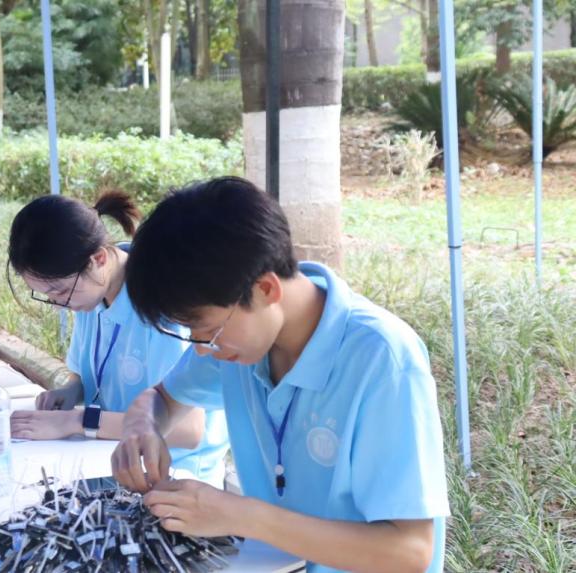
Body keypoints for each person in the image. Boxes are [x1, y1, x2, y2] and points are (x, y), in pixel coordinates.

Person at [111, 177, 450, 572]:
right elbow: (163, 398)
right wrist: (141, 428)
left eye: (209, 331)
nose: (201, 349)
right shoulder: (238, 343)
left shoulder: (382, 359)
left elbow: (409, 551)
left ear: (266, 290)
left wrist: (242, 516)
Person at [6, 192, 229, 487]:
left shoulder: (160, 307)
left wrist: (76, 421)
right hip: (110, 466)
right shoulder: (90, 294)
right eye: (47, 296)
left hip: (174, 479)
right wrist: (71, 392)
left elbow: (187, 431)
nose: (60, 304)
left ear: (98, 259)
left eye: (60, 292)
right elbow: (86, 376)